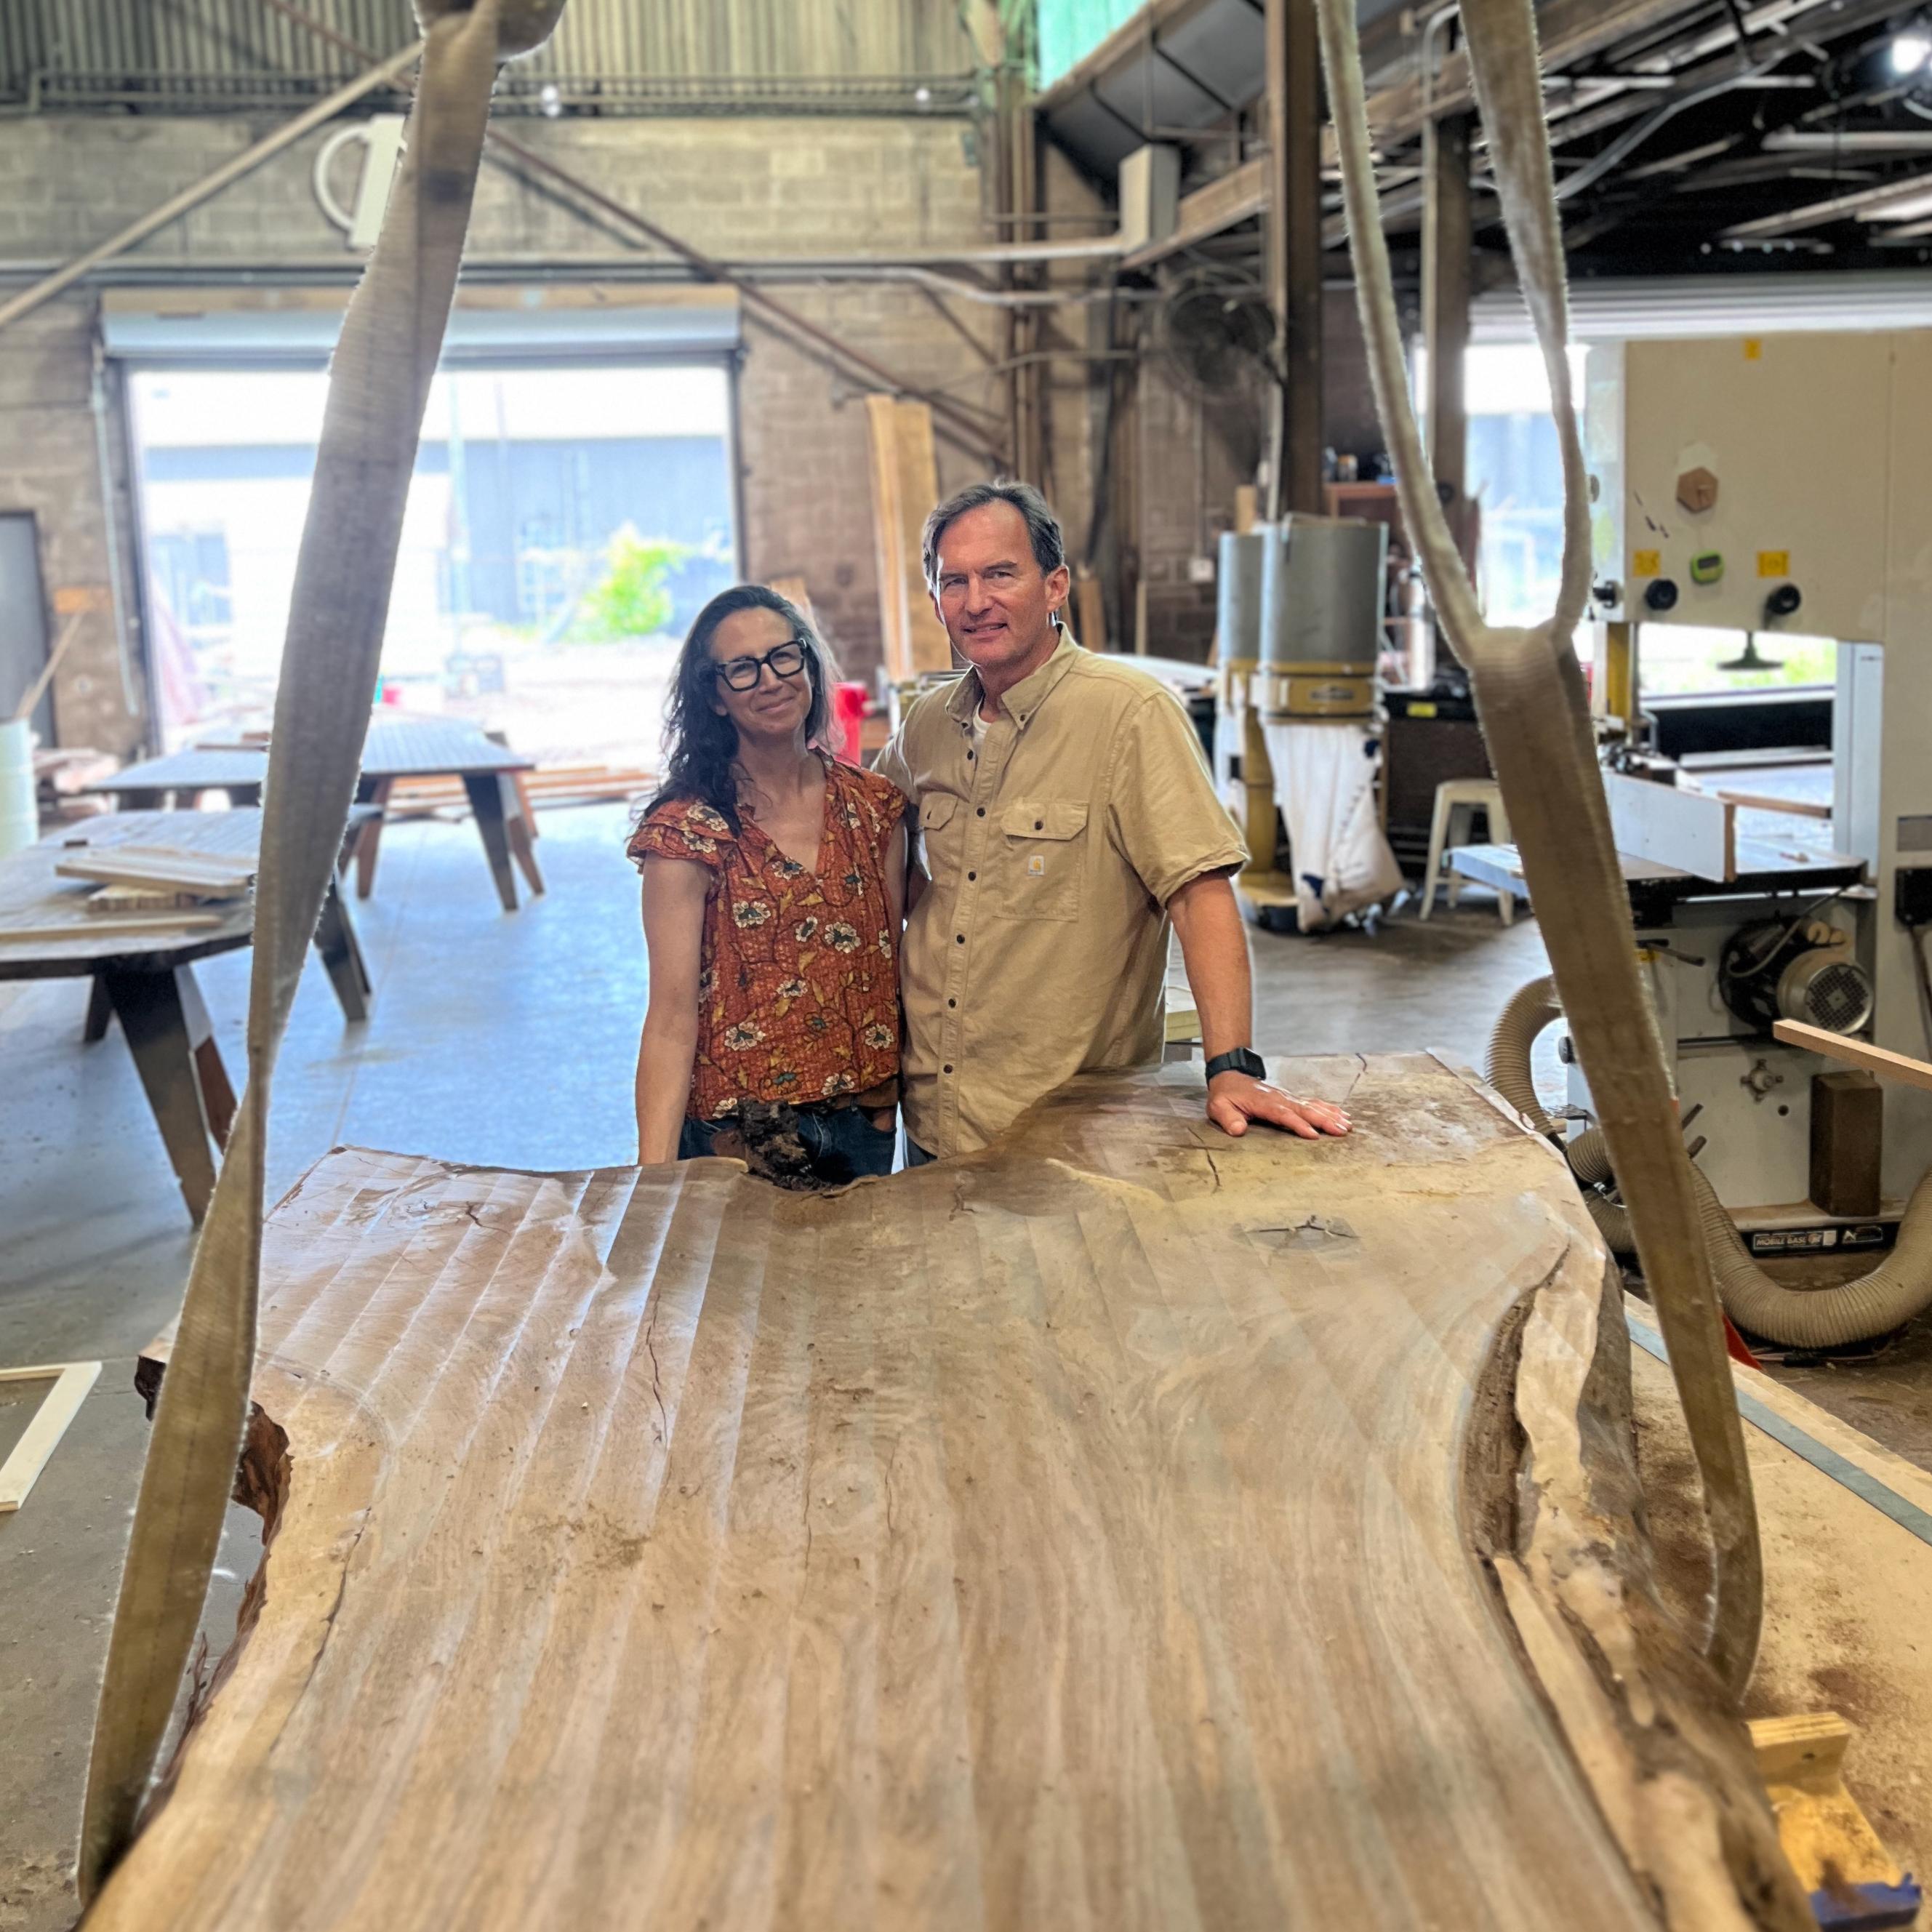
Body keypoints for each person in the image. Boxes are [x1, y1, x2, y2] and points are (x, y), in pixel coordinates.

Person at [875, 481, 1353, 1163]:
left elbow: (1199, 898)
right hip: (934, 1115)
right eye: (954, 582)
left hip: (1067, 1130)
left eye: (1000, 574)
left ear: (1054, 585)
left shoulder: (1129, 714)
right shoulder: (927, 724)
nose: (975, 601)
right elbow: (867, 833)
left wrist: (1233, 1067)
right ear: (934, 601)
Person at [629, 585, 909, 1190]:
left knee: (859, 1281)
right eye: (742, 668)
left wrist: (887, 1105)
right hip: (740, 1133)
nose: (770, 680)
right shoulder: (687, 831)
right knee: (746, 1286)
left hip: (863, 1122)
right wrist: (651, 1185)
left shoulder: (874, 808)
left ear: (808, 665)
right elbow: (670, 1020)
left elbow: (889, 970)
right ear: (716, 696)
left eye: (784, 656)